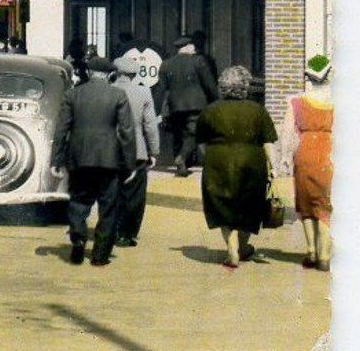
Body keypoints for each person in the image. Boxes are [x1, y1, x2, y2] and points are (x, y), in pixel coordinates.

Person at [50, 56, 134, 266]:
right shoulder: (118, 95)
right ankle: (100, 256)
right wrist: (129, 163)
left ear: (89, 72)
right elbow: (126, 132)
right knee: (108, 207)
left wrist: (56, 160)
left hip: (79, 157)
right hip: (109, 159)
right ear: (109, 75)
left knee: (78, 201)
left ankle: (78, 239)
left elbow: (61, 129)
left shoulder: (73, 95)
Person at [196, 65, 279, 269]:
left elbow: (201, 143)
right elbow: (268, 142)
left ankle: (232, 248)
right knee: (249, 205)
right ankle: (242, 246)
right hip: (252, 160)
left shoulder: (209, 110)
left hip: (218, 160)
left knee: (222, 205)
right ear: (245, 86)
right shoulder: (258, 110)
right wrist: (274, 166)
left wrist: (210, 159)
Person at [282, 55, 334, 271]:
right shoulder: (337, 102)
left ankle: (311, 251)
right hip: (329, 151)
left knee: (305, 201)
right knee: (325, 203)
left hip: (304, 152)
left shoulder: (297, 101)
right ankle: (324, 255)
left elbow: (287, 133)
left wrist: (285, 157)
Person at [112, 48, 160, 247]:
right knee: (134, 194)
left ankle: (111, 229)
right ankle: (127, 233)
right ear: (133, 74)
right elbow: (150, 125)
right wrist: (153, 151)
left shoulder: (108, 90)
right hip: (137, 150)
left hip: (110, 149)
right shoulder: (143, 91)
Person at [160, 34, 218, 177]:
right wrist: (216, 101)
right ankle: (182, 158)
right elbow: (209, 85)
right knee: (195, 134)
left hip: (175, 106)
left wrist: (160, 110)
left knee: (180, 135)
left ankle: (183, 166)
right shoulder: (199, 61)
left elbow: (161, 88)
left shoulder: (166, 64)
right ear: (189, 46)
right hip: (196, 105)